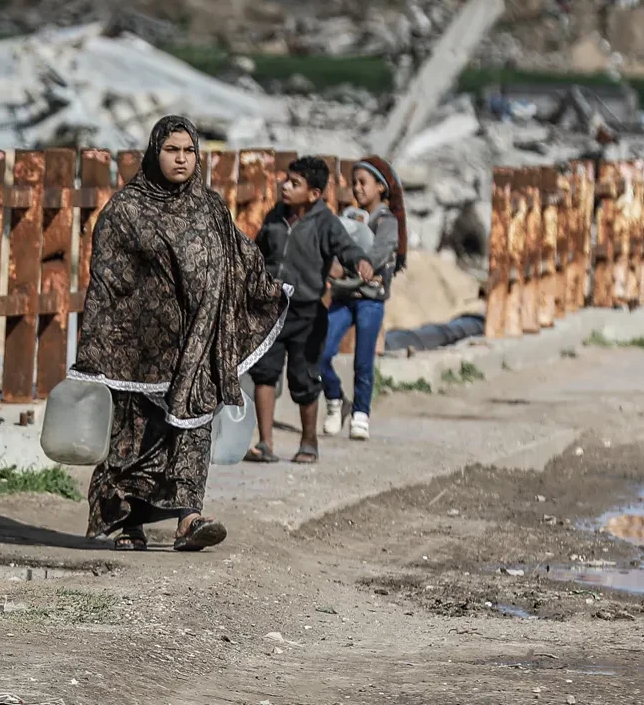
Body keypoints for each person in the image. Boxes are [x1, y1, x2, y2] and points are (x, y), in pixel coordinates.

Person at [70, 115, 290, 552]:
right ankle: (128, 522)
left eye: (189, 151)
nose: (182, 159)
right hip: (140, 352)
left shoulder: (208, 205)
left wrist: (270, 291)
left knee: (193, 427)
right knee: (134, 436)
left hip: (198, 345)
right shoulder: (126, 211)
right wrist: (96, 348)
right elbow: (107, 281)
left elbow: (238, 255)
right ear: (155, 152)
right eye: (173, 150)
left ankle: (189, 520)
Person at [245, 156, 373, 464]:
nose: (285, 187)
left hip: (307, 313)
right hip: (272, 310)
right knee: (264, 374)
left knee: (305, 379)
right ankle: (265, 442)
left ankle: (308, 440)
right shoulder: (276, 216)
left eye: (295, 184)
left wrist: (359, 261)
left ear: (314, 194)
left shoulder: (326, 221)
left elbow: (346, 248)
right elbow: (259, 252)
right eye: (286, 180)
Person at [320, 156, 406, 441]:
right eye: (353, 183)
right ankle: (335, 401)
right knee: (321, 352)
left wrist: (365, 263)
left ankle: (361, 413)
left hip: (371, 299)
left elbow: (382, 250)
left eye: (363, 183)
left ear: (380, 188)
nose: (357, 188)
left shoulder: (387, 221)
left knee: (363, 359)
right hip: (344, 296)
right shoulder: (349, 218)